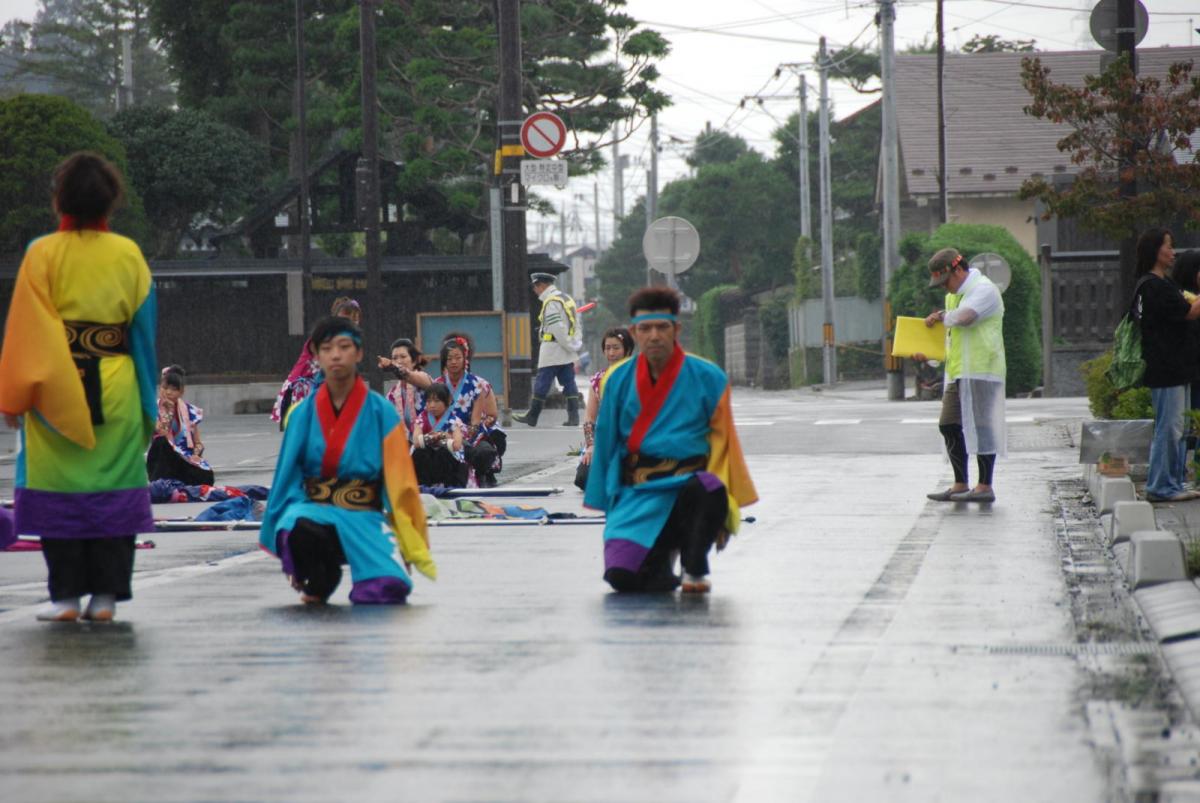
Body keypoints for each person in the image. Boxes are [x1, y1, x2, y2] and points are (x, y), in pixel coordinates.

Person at [0, 152, 158, 622]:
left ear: (59, 200)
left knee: (56, 489)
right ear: (111, 200)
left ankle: (65, 598)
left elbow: (25, 331)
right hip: (116, 384)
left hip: (55, 387)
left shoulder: (42, 253)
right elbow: (143, 332)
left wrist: (13, 395)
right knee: (115, 484)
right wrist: (147, 400)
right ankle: (107, 598)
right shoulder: (128, 253)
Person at [584, 287, 757, 594]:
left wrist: (724, 513)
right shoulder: (618, 379)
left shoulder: (708, 377)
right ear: (634, 332)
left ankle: (694, 565)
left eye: (662, 327)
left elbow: (723, 446)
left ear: (676, 329)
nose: (654, 336)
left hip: (689, 491)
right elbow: (607, 441)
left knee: (709, 489)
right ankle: (660, 560)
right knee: (622, 578)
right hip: (637, 493)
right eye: (645, 328)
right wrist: (607, 500)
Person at [259, 316, 434, 605]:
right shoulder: (302, 414)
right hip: (313, 513)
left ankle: (361, 564)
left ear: (359, 353)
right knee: (293, 527)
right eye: (327, 348)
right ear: (317, 356)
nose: (336, 355)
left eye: (344, 346)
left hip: (363, 513)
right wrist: (289, 549)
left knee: (386, 590)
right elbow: (286, 479)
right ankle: (320, 574)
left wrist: (408, 539)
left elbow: (400, 482)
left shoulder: (381, 413)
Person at [917, 248, 1008, 503]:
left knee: (982, 427)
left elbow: (966, 319)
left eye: (946, 281)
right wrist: (932, 356)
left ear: (958, 269)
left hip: (983, 369)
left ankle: (984, 486)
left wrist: (943, 317)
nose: (946, 288)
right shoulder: (953, 298)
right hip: (958, 371)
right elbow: (951, 336)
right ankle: (960, 483)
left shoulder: (984, 289)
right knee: (948, 425)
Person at [1134, 230, 1200, 502]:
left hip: (1175, 366)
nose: (1172, 253)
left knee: (1179, 428)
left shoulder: (1161, 283)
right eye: (1168, 247)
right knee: (1169, 427)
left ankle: (1173, 482)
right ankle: (1161, 486)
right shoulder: (1153, 286)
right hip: (1166, 367)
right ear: (1155, 250)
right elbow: (1190, 312)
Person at [271, 296, 362, 427]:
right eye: (345, 319)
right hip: (304, 388)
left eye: (355, 320)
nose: (351, 323)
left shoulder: (347, 339)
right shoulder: (326, 336)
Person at [435, 333, 505, 487]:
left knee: (484, 452)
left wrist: (477, 426)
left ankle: (483, 473)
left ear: (465, 358)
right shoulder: (437, 385)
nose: (453, 362)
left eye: (457, 357)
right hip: (445, 433)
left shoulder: (479, 384)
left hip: (474, 432)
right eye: (449, 358)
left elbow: (492, 414)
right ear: (443, 361)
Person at [514, 272, 583, 427]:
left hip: (552, 349)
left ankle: (533, 415)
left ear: (543, 285)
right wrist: (574, 345)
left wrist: (569, 345)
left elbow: (557, 329)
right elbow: (577, 324)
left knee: (542, 382)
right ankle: (574, 417)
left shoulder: (551, 302)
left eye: (535, 286)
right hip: (566, 349)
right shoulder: (567, 299)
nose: (534, 290)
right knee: (569, 382)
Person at [574, 327, 635, 491]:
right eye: (608, 348)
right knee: (584, 478)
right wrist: (591, 446)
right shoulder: (598, 380)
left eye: (616, 348)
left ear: (627, 349)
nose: (611, 352)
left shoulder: (640, 376)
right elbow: (589, 419)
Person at [147, 364, 215, 486]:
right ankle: (161, 482)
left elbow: (198, 443)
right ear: (160, 388)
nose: (168, 392)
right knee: (162, 441)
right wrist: (168, 411)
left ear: (181, 391)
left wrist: (195, 455)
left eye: (174, 389)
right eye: (165, 387)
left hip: (183, 457)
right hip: (162, 458)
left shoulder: (190, 411)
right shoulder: (153, 409)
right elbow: (162, 431)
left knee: (207, 476)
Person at [410, 383, 469, 488]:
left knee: (444, 453)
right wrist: (433, 437)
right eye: (429, 401)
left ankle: (448, 486)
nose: (432, 405)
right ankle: (422, 485)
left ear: (447, 402)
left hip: (446, 459)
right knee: (420, 453)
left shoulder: (454, 420)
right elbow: (416, 442)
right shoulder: (421, 418)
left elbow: (457, 445)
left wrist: (442, 437)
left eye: (437, 401)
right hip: (428, 460)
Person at [378, 337, 434, 429]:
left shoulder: (424, 379)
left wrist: (393, 366)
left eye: (403, 357)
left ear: (414, 361)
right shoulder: (392, 395)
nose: (399, 361)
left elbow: (408, 375)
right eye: (395, 358)